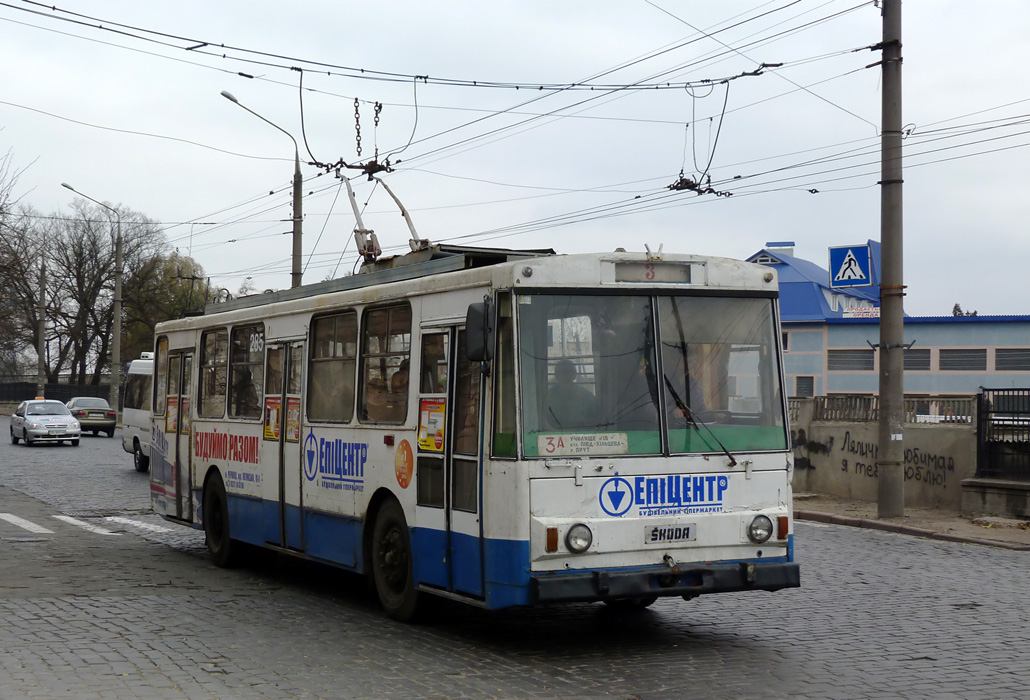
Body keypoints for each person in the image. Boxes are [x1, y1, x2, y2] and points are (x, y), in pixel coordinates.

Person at [545, 359, 599, 429]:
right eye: (562, 372)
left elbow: (595, 420)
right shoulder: (549, 397)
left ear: (574, 375)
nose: (565, 376)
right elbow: (544, 420)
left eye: (568, 372)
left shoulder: (587, 397)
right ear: (556, 375)